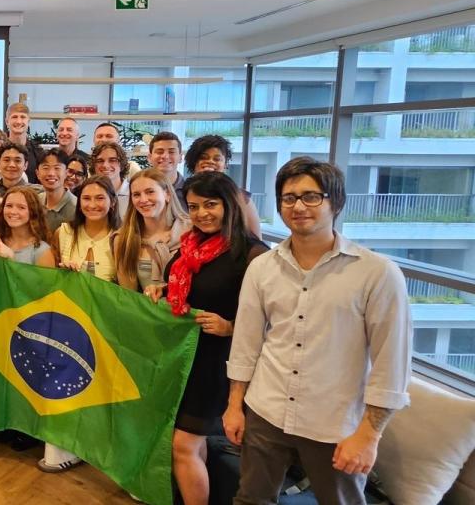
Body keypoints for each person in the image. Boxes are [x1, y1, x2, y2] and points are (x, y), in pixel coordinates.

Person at [226, 158, 411, 505]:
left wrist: (369, 435)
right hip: (267, 407)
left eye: (311, 196)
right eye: (288, 197)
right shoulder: (262, 267)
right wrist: (235, 405)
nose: (298, 206)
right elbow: (247, 343)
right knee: (251, 498)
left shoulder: (377, 273)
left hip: (334, 420)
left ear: (335, 203)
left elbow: (392, 363)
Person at [141, 172, 268, 505]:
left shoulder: (253, 254)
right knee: (187, 445)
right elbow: (193, 290)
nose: (202, 214)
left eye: (211, 205)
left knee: (183, 445)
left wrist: (230, 326)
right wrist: (164, 289)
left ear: (230, 205)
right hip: (185, 360)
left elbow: (275, 318)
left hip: (221, 365)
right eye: (194, 206)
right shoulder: (190, 247)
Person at [41, 174, 121, 473]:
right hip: (68, 321)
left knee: (99, 388)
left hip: (105, 322)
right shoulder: (65, 232)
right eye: (86, 198)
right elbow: (51, 276)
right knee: (63, 384)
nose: (92, 204)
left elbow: (127, 285)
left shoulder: (121, 236)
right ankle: (64, 445)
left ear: (112, 201)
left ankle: (96, 447)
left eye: (100, 198)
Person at [113, 168, 190, 292]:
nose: (143, 200)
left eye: (150, 192)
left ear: (167, 195)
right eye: (136, 194)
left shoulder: (191, 232)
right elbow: (129, 295)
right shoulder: (124, 238)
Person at [183, 134, 262, 238]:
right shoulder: (184, 192)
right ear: (193, 162)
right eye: (203, 157)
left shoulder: (240, 197)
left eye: (217, 159)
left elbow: (256, 238)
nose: (210, 161)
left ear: (225, 164)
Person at [0, 186, 56, 267]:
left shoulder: (42, 251)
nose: (13, 212)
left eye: (21, 207)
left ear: (33, 211)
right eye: (9, 206)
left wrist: (11, 259)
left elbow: (44, 280)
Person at [37, 148, 77, 233]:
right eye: (46, 167)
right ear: (37, 174)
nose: (51, 173)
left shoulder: (77, 207)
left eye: (57, 168)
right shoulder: (35, 201)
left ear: (66, 173)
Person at [4, 102, 43, 183]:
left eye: (23, 117)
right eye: (14, 117)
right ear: (7, 121)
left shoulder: (38, 152)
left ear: (28, 121)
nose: (18, 121)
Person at [92, 142, 131, 214]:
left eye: (112, 160)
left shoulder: (133, 192)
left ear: (121, 164)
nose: (105, 165)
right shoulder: (88, 193)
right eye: (100, 161)